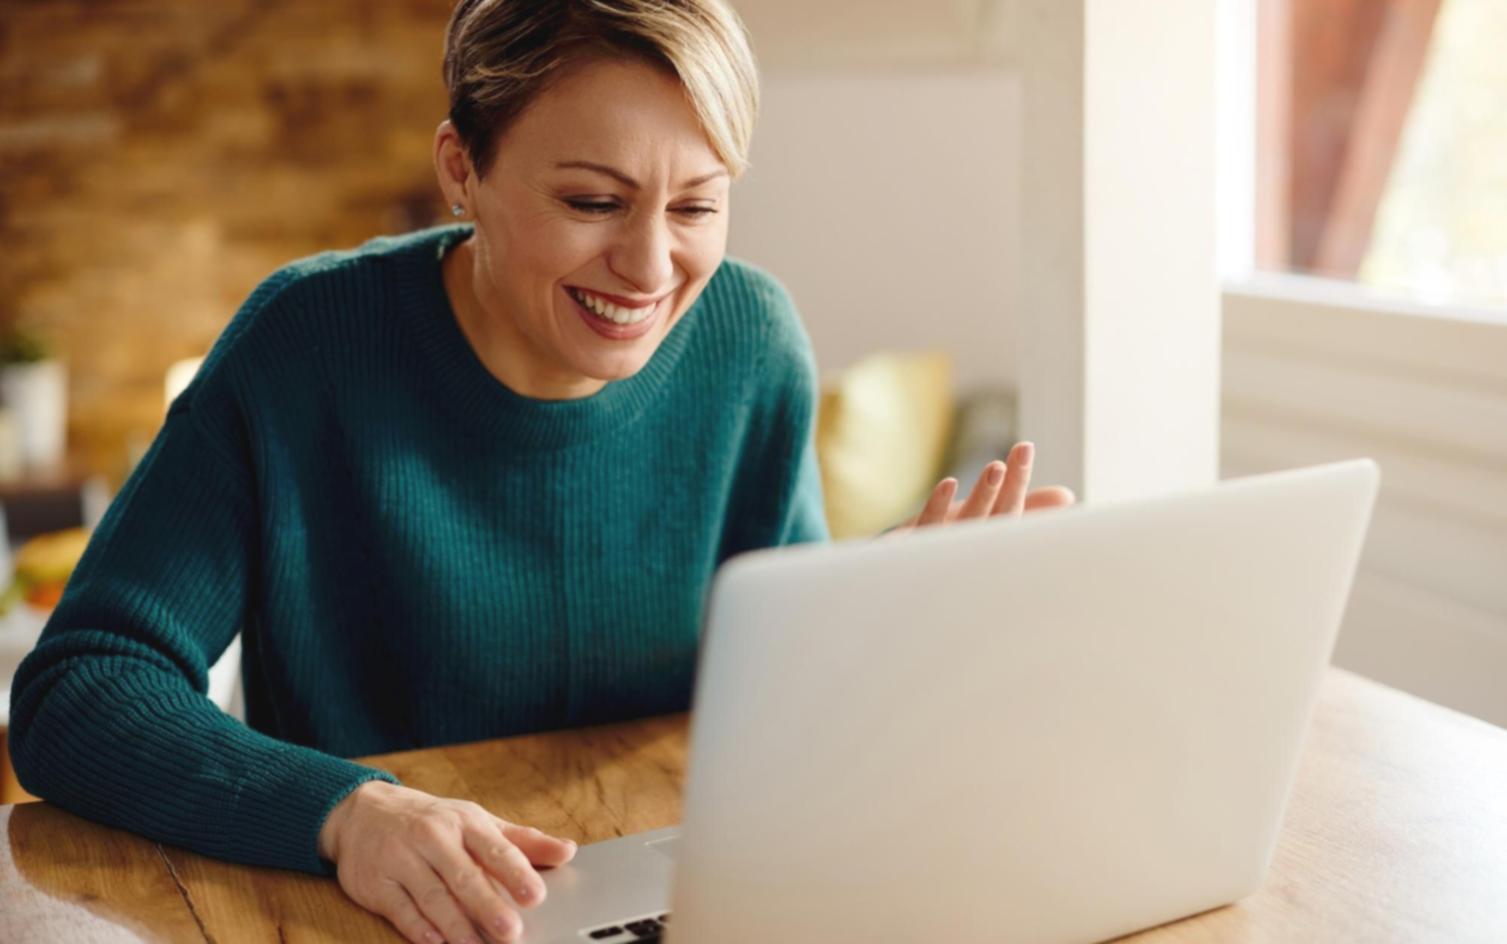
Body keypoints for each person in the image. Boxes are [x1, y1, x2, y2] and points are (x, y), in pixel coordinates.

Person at [7, 1, 1072, 942]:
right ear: (461, 168)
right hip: (382, 914)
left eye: (696, 206)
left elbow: (763, 703)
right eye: (593, 202)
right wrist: (345, 809)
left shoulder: (752, 342)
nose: (652, 268)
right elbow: (77, 688)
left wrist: (883, 622)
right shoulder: (304, 344)